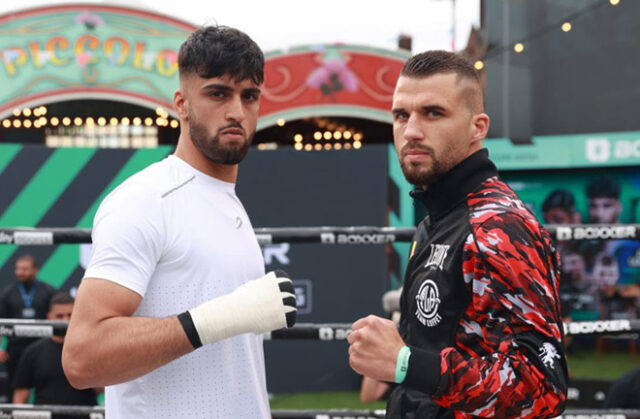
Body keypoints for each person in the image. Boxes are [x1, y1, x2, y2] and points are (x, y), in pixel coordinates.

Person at [62, 25, 297, 419]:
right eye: (218, 93)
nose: (237, 111)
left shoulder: (226, 201)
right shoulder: (146, 200)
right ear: (182, 104)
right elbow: (82, 358)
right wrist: (218, 318)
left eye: (249, 96)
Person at [347, 50, 567, 418]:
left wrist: (404, 363)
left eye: (433, 113)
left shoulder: (498, 226)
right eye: (402, 115)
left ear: (477, 127)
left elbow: (543, 386)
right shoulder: (437, 219)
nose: (412, 131)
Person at [13, 293, 102, 419]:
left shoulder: (90, 349)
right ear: (49, 317)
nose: (65, 320)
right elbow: (20, 397)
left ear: (77, 316)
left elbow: (103, 389)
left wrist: (88, 362)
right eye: (59, 316)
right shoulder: (33, 352)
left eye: (70, 315)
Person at [0, 255, 55, 401]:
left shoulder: (48, 291)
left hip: (42, 347)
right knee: (15, 388)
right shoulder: (7, 293)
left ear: (35, 270)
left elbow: (57, 319)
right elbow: (0, 322)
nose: (20, 272)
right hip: (15, 348)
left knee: (45, 387)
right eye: (18, 269)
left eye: (24, 269)